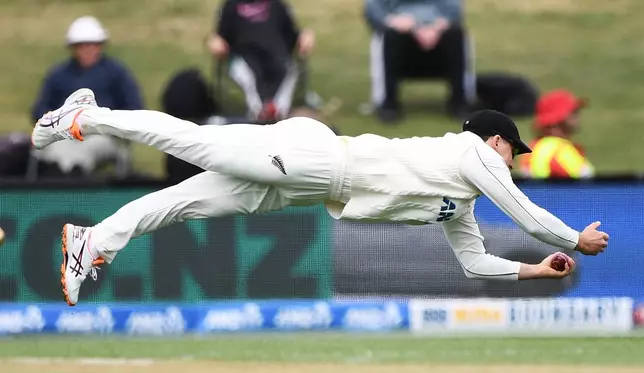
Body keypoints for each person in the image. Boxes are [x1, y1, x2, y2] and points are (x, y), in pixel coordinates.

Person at [31, 89, 609, 306]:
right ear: (496, 140)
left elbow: (473, 262)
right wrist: (575, 241)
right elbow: (527, 213)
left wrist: (536, 270)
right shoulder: (474, 154)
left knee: (184, 202)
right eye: (516, 151)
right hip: (318, 158)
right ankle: (89, 114)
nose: (516, 161)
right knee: (197, 143)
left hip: (306, 191)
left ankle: (91, 241)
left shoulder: (457, 202)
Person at [30, 16, 144, 178]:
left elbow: (134, 107)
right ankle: (68, 178)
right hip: (63, 134)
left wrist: (106, 122)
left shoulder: (116, 73)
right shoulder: (58, 75)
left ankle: (73, 179)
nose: (87, 50)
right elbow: (40, 109)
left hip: (102, 135)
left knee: (87, 150)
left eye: (92, 44)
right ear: (73, 48)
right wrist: (58, 121)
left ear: (100, 46)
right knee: (56, 150)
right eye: (81, 45)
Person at [364, 0, 475, 123]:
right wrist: (393, 22)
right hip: (400, 32)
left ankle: (459, 102)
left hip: (437, 31)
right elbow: (373, 10)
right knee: (390, 35)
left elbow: (454, 11)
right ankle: (389, 104)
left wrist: (437, 26)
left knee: (455, 33)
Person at [208, 0, 315, 121]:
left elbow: (292, 33)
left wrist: (304, 37)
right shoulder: (232, 5)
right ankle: (259, 113)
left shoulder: (277, 4)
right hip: (244, 54)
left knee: (287, 70)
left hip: (277, 54)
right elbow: (221, 35)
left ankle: (277, 113)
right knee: (249, 75)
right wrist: (216, 41)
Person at [519, 89, 594, 179]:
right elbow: (586, 185)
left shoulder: (536, 147)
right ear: (557, 118)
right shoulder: (557, 150)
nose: (578, 115)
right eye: (573, 111)